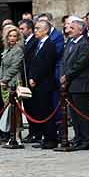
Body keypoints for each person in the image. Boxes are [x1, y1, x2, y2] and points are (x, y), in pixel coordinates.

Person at [58, 16, 89, 152]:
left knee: (82, 113)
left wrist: (67, 75)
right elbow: (65, 61)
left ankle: (86, 139)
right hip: (70, 84)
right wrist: (63, 75)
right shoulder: (70, 42)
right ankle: (78, 138)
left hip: (80, 84)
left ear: (80, 30)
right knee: (74, 115)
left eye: (72, 28)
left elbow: (81, 63)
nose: (69, 31)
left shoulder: (84, 44)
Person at [23, 17, 61, 149]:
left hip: (44, 83)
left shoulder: (49, 45)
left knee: (46, 111)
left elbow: (47, 65)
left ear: (45, 30)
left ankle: (51, 138)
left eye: (38, 28)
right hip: (36, 83)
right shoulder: (37, 44)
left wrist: (36, 78)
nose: (35, 31)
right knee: (39, 111)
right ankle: (44, 136)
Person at [0, 24, 25, 149]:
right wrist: (0, 79)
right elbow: (2, 66)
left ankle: (17, 135)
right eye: (10, 36)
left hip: (14, 82)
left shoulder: (18, 50)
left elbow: (15, 66)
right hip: (4, 83)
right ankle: (10, 134)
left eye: (15, 36)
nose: (12, 38)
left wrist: (5, 79)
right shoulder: (6, 50)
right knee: (8, 110)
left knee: (16, 110)